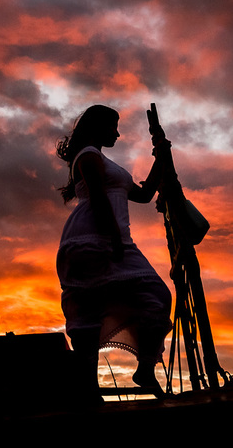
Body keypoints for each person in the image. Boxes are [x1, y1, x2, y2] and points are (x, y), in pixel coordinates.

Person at [55, 104, 173, 398]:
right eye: (113, 126)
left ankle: (145, 368)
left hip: (112, 238)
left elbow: (144, 195)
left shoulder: (106, 163)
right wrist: (115, 239)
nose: (118, 134)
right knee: (89, 313)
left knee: (156, 296)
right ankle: (89, 390)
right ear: (97, 126)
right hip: (93, 239)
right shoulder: (89, 157)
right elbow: (97, 198)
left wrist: (161, 156)